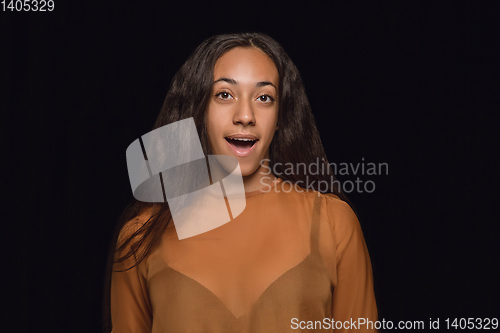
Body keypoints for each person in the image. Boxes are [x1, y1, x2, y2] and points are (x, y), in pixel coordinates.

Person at [103, 32, 378, 333]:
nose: (245, 115)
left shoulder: (334, 222)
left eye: (264, 98)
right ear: (199, 109)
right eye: (224, 94)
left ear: (281, 116)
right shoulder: (141, 235)